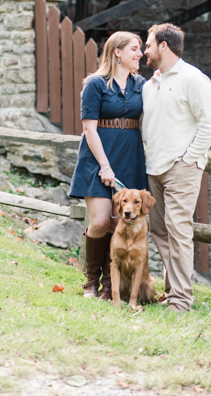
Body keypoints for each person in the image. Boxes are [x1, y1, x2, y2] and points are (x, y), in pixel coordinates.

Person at [141, 23, 211, 313]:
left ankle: (182, 301)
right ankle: (172, 291)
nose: (144, 51)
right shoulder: (150, 84)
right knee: (160, 231)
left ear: (164, 46)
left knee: (178, 231)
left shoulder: (194, 79)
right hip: (154, 168)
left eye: (148, 45)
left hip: (180, 168)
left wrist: (188, 159)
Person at [68, 32, 149, 300]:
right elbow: (89, 130)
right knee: (101, 221)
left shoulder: (142, 84)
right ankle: (90, 282)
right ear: (117, 52)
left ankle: (108, 287)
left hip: (130, 157)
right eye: (135, 49)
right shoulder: (95, 84)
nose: (141, 54)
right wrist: (105, 166)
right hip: (99, 158)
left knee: (119, 224)